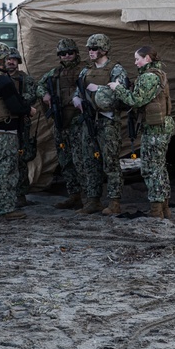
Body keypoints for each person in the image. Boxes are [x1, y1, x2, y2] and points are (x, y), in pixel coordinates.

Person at [109, 45, 174, 219]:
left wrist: (118, 88)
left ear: (147, 59)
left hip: (155, 128)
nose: (135, 62)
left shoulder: (148, 77)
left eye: (138, 59)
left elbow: (136, 100)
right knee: (159, 168)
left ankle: (156, 209)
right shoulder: (158, 74)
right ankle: (163, 208)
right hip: (159, 126)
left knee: (150, 168)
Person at [0, 42, 36, 220]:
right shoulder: (2, 79)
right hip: (5, 132)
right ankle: (6, 209)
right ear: (1, 58)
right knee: (7, 171)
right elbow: (14, 106)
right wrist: (29, 110)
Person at [74, 33, 128, 216]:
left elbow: (121, 95)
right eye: (89, 48)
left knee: (111, 162)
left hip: (108, 121)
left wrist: (99, 90)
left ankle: (114, 202)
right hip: (89, 120)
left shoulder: (116, 70)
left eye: (94, 48)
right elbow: (78, 91)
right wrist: (76, 99)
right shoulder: (85, 71)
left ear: (104, 49)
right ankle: (93, 199)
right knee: (89, 161)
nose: (90, 52)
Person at [36, 38, 86, 210]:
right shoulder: (54, 73)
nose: (66, 56)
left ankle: (88, 197)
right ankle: (74, 195)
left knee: (82, 160)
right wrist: (45, 95)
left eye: (70, 53)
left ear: (76, 53)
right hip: (61, 121)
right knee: (65, 160)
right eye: (63, 54)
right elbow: (39, 86)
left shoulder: (85, 71)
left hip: (79, 122)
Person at [5, 48, 38, 207]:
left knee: (21, 159)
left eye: (13, 59)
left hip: (21, 124)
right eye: (7, 59)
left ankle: (21, 194)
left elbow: (30, 98)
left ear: (18, 61)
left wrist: (11, 101)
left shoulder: (26, 80)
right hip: (3, 124)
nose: (10, 61)